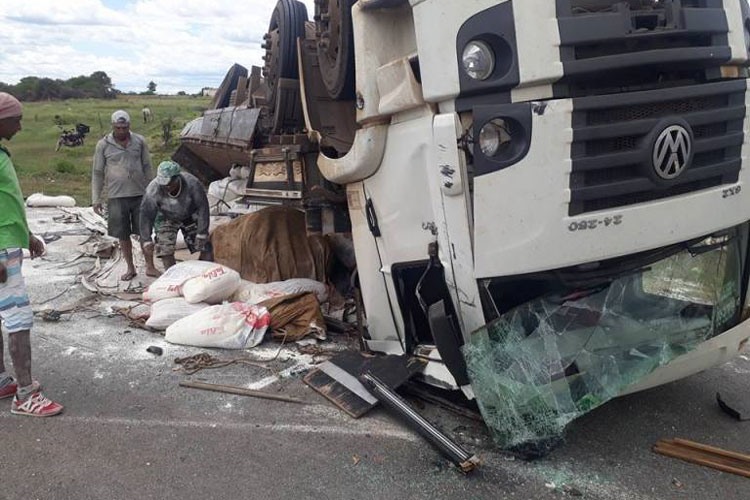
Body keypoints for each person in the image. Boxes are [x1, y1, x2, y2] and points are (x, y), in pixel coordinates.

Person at [0, 92, 63, 417]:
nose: (21, 126)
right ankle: (25, 395)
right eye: (17, 119)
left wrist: (28, 236)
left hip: (7, 244)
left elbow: (6, 204)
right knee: (19, 319)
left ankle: (1, 381)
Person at [92, 110, 156, 280]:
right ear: (113, 126)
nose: (121, 131)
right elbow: (97, 172)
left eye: (124, 127)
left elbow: (147, 166)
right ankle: (130, 268)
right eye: (118, 128)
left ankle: (150, 266)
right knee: (123, 234)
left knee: (145, 232)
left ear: (129, 126)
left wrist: (153, 190)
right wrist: (96, 198)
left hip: (140, 194)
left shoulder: (139, 141)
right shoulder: (103, 144)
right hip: (116, 196)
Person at [140, 161, 211, 274]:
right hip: (165, 216)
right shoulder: (152, 190)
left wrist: (202, 232)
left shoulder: (192, 184)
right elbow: (146, 216)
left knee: (205, 245)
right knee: (165, 249)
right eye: (163, 185)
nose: (166, 187)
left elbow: (203, 207)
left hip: (190, 213)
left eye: (169, 184)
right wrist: (146, 239)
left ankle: (204, 272)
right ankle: (173, 274)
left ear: (177, 178)